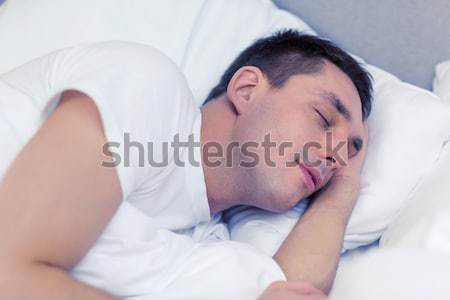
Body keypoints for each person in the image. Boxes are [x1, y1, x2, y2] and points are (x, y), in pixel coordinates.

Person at [0, 29, 372, 300]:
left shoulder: (202, 241)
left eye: (350, 151)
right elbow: (9, 274)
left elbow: (290, 288)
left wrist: (344, 187)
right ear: (246, 90)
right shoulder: (149, 87)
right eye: (323, 118)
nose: (336, 157)